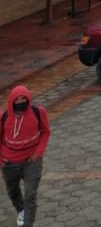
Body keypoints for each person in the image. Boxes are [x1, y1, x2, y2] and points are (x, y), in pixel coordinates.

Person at [1, 86, 50, 227]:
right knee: (12, 190)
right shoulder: (4, 117)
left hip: (31, 162)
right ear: (12, 101)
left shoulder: (38, 112)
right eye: (17, 100)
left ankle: (28, 223)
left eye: (24, 99)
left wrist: (38, 153)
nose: (21, 102)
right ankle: (21, 210)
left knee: (30, 195)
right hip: (9, 163)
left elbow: (46, 132)